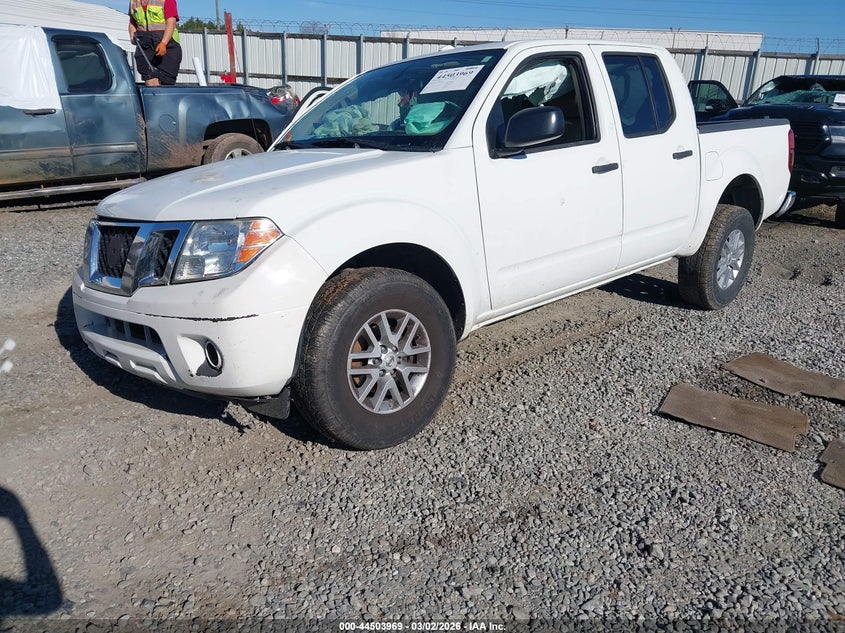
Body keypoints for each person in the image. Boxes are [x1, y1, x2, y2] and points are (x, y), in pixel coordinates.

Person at [128, 0, 182, 86]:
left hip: (168, 46)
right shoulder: (134, 1)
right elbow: (132, 22)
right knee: (150, 79)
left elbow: (171, 21)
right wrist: (132, 35)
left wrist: (164, 43)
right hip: (145, 47)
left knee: (166, 82)